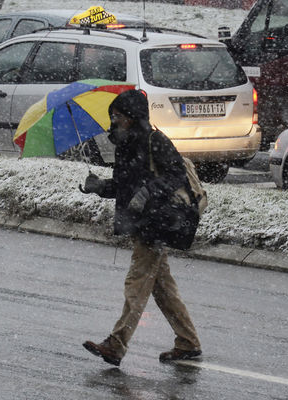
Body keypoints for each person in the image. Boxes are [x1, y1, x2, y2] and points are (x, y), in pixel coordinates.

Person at [80, 89, 202, 367]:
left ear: (133, 117)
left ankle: (117, 343)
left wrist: (148, 193)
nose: (115, 120)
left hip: (157, 224)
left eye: (119, 116)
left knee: (136, 284)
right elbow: (125, 187)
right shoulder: (124, 144)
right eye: (113, 116)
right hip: (142, 224)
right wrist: (99, 186)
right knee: (162, 289)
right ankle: (188, 342)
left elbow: (176, 176)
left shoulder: (154, 140)